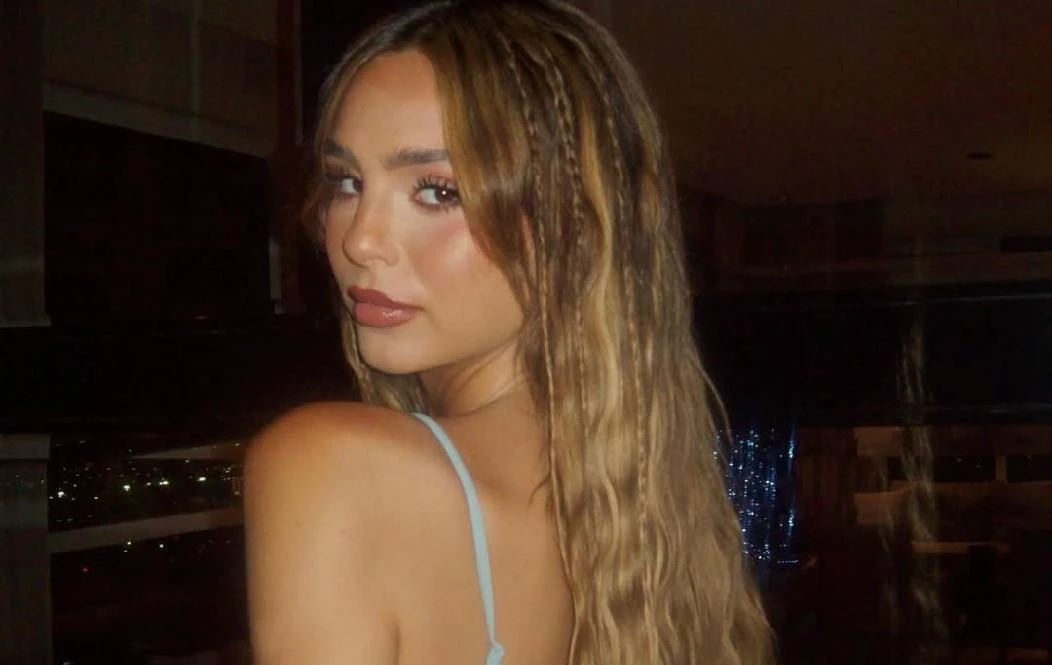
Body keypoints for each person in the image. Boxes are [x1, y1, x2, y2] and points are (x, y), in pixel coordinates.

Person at [243, 1, 772, 664]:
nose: (359, 239)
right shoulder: (639, 508)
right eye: (345, 181)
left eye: (438, 191)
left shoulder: (329, 466)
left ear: (571, 229)